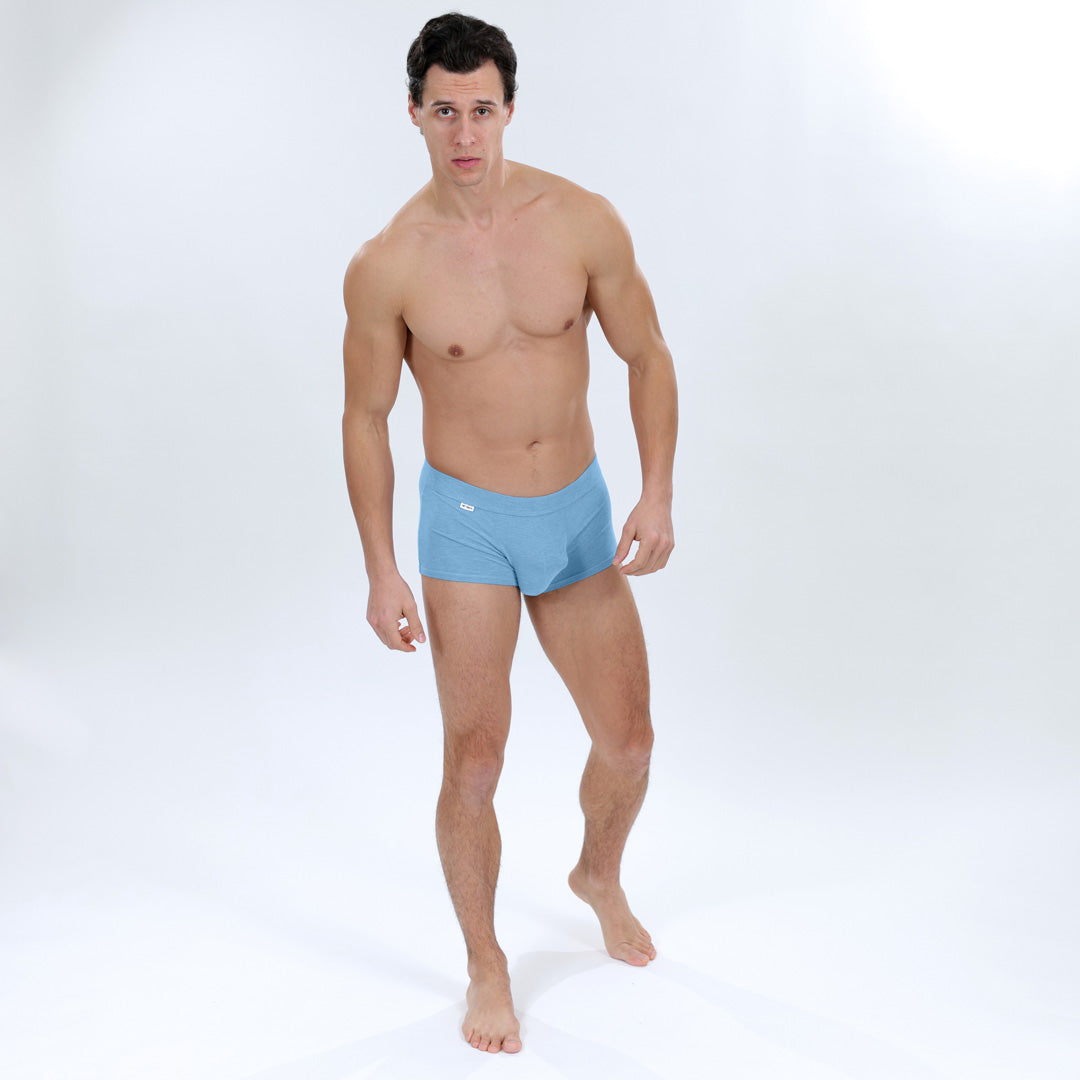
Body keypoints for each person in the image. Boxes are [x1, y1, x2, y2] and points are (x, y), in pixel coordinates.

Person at [341, 12, 677, 1056]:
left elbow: (648, 355)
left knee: (629, 744)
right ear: (413, 113)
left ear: (509, 109)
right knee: (475, 764)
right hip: (469, 527)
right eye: (444, 111)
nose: (464, 132)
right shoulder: (388, 263)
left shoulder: (580, 221)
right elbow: (365, 417)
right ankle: (486, 962)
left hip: (575, 513)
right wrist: (381, 568)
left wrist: (657, 493)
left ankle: (596, 874)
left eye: (481, 109)